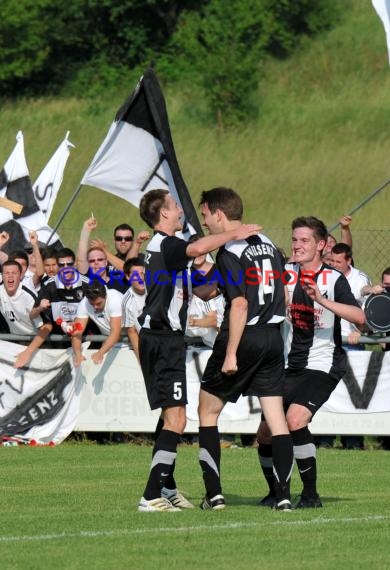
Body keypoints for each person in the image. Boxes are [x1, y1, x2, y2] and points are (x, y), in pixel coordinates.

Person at [136, 188, 261, 512]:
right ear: (163, 214)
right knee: (177, 420)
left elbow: (196, 288)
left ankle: (167, 487)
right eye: (175, 206)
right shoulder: (168, 244)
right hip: (164, 340)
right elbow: (199, 246)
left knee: (169, 417)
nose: (181, 211)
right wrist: (235, 232)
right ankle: (150, 496)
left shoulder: (160, 248)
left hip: (160, 338)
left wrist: (224, 286)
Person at [257, 216, 365, 508]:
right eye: (294, 240)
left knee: (294, 420)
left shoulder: (333, 279)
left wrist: (322, 300)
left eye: (305, 240)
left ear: (320, 245)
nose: (298, 245)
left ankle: (310, 495)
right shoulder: (285, 273)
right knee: (265, 433)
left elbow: (360, 319)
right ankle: (274, 492)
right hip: (286, 365)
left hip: (323, 364)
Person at [197, 187, 293, 511]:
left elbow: (238, 303)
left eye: (206, 215)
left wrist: (231, 353)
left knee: (207, 413)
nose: (205, 222)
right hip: (272, 336)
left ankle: (214, 495)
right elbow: (208, 290)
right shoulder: (268, 245)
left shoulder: (229, 251)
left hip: (244, 334)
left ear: (218, 213)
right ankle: (282, 497)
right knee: (276, 420)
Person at [0, 260, 52, 368]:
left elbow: (47, 326)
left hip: (36, 343)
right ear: (2, 276)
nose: (10, 276)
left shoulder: (27, 296)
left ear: (20, 275)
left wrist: (28, 353)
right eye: (6, 273)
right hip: (14, 341)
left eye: (14, 273)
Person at [71, 281, 123, 367]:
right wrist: (78, 354)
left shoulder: (115, 299)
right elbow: (77, 332)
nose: (95, 307)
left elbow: (115, 333)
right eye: (92, 304)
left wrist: (100, 352)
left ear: (105, 296)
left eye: (98, 303)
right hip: (109, 342)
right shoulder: (84, 303)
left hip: (129, 339)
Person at [121, 257, 146, 360]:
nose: (141, 278)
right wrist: (142, 360)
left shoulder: (156, 289)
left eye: (142, 273)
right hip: (148, 344)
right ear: (128, 277)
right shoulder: (126, 302)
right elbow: (132, 332)